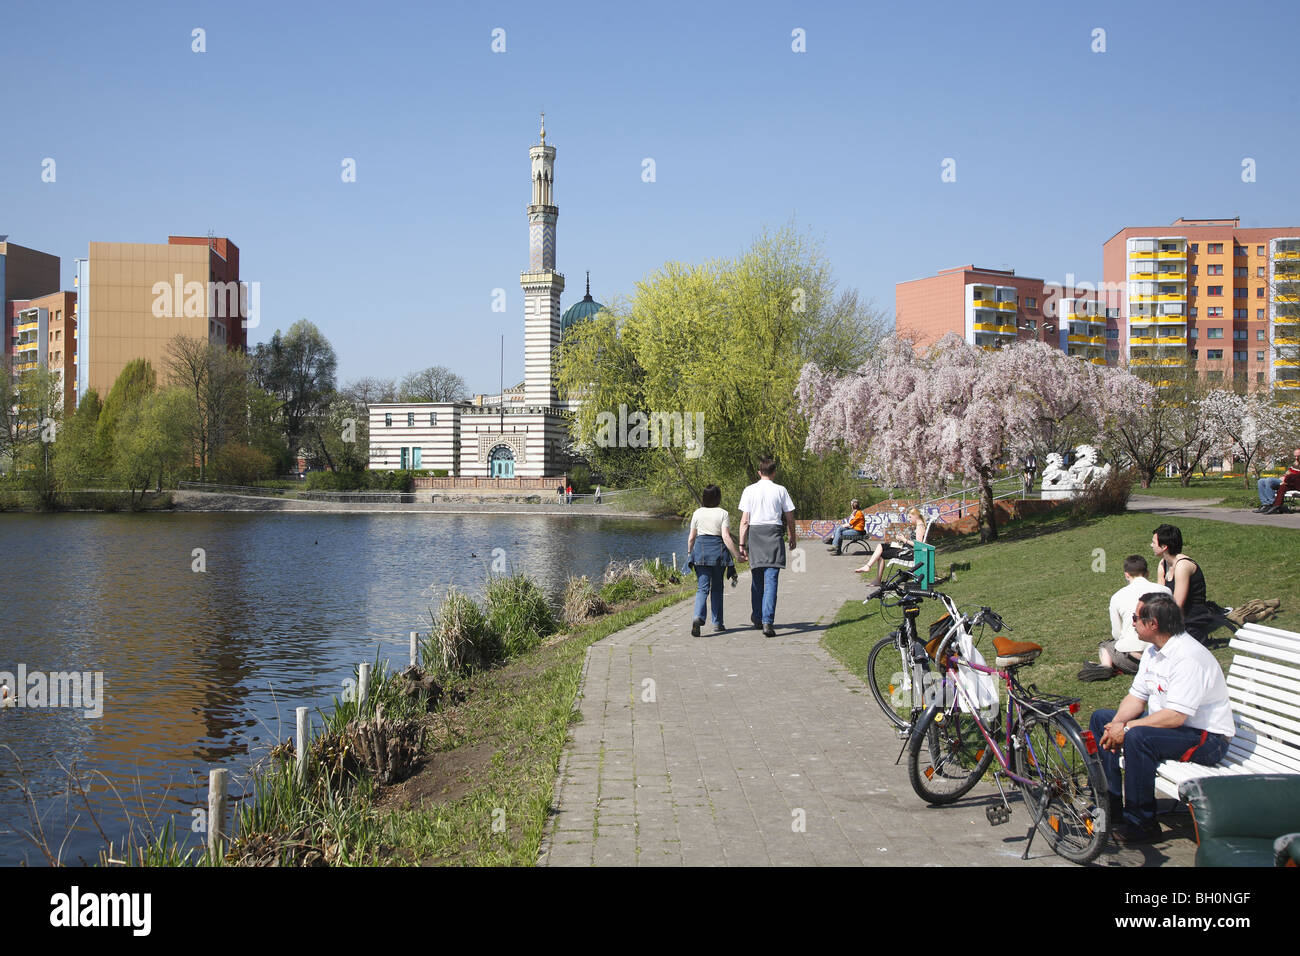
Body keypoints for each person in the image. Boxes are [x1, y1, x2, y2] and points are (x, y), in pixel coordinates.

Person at [1088, 592, 1234, 844]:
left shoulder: (1188, 656)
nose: (1132, 622)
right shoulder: (1154, 651)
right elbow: (1136, 697)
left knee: (1137, 737)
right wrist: (1118, 723)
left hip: (1207, 738)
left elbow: (1175, 716)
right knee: (1102, 718)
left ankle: (1142, 823)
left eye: (1135, 618)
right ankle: (1111, 806)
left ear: (1152, 624)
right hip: (1173, 728)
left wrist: (1129, 727)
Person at [1077, 556, 1171, 681]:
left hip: (1134, 661)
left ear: (1127, 575)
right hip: (1166, 656)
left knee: (1106, 645)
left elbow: (1117, 633)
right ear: (1147, 573)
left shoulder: (1117, 596)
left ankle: (1105, 665)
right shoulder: (1165, 591)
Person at [738, 455, 797, 638]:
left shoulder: (749, 490)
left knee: (757, 579)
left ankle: (756, 616)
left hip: (755, 535)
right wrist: (792, 536)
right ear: (774, 473)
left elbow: (745, 521)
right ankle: (767, 621)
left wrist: (741, 544)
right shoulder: (781, 490)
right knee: (771, 580)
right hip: (773, 533)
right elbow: (789, 516)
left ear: (759, 472)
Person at [686, 484, 741, 636]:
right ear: (718, 497)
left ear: (704, 497)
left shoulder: (697, 513)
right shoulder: (723, 513)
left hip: (701, 554)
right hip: (718, 554)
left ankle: (698, 616)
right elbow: (725, 537)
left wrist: (690, 553)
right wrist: (736, 555)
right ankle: (717, 623)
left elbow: (691, 537)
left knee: (702, 588)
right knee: (717, 588)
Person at [1151, 523, 1215, 644]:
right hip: (1174, 618)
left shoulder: (1183, 565)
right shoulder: (1163, 564)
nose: (1151, 545)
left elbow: (1177, 604)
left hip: (1191, 621)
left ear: (1164, 546)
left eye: (1154, 542)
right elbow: (1159, 596)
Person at [858, 507, 927, 596]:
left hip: (909, 553)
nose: (909, 520)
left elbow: (919, 545)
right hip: (907, 549)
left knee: (881, 552)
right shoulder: (919, 525)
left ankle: (872, 572)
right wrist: (902, 540)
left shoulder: (920, 527)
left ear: (915, 516)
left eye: (910, 517)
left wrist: (904, 540)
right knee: (881, 547)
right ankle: (871, 571)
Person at [1256, 447, 1300, 513]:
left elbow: (1295, 477)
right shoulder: (1295, 464)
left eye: (1298, 456)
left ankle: (1271, 503)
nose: (1296, 458)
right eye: (1295, 456)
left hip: (1288, 483)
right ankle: (1265, 504)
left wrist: (1285, 478)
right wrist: (1283, 477)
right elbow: (1287, 473)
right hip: (1284, 479)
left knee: (1269, 480)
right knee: (1261, 481)